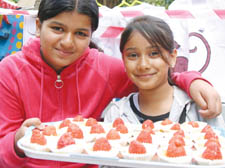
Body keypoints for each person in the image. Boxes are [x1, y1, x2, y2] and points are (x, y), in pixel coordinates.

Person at [0, 0, 222, 167]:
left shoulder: (104, 69)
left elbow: (150, 77)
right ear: (39, 26)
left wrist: (192, 80)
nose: (67, 41)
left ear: (91, 35)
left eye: (80, 33)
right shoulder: (10, 71)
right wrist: (17, 142)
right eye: (57, 28)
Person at [103, 15, 225, 127]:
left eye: (154, 53)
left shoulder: (200, 107)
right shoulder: (116, 114)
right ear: (123, 60)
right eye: (133, 55)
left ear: (172, 57)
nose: (143, 65)